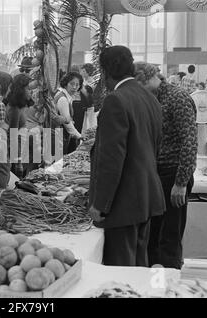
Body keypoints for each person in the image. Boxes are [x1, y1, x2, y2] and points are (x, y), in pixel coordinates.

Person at [88, 46, 165, 267]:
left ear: (105, 72)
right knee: (139, 265)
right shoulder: (149, 97)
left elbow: (112, 159)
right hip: (146, 196)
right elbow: (154, 146)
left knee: (121, 271)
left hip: (123, 203)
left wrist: (100, 203)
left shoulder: (116, 100)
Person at [134, 62, 198, 269]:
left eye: (139, 85)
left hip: (173, 175)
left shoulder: (177, 98)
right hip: (155, 175)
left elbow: (189, 141)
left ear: (150, 79)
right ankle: (154, 284)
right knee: (153, 236)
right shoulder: (151, 98)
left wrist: (180, 183)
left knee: (169, 237)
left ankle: (169, 284)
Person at [6, 73, 32, 179]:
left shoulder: (21, 106)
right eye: (29, 89)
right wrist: (18, 162)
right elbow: (13, 136)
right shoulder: (15, 108)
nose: (31, 92)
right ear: (21, 89)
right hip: (15, 154)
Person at [54, 72, 84, 154]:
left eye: (77, 85)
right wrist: (79, 136)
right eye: (72, 84)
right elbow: (67, 123)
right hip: (57, 136)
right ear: (66, 84)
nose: (74, 87)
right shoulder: (63, 98)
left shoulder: (65, 95)